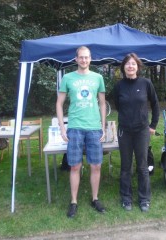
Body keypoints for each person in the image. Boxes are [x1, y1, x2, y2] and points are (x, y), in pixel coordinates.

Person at [56, 46, 107, 218]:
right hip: (75, 127)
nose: (84, 60)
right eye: (81, 57)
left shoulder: (98, 77)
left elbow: (102, 103)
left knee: (96, 165)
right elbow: (59, 103)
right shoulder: (68, 78)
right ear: (76, 59)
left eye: (87, 57)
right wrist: (62, 128)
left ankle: (95, 198)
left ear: (90, 59)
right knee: (75, 165)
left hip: (94, 127)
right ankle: (73, 201)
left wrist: (103, 126)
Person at [114, 53, 159, 212]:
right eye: (127, 64)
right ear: (123, 67)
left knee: (142, 165)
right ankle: (126, 198)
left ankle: (144, 198)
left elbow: (155, 104)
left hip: (141, 131)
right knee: (126, 166)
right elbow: (117, 105)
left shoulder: (146, 83)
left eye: (133, 64)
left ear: (137, 66)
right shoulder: (119, 86)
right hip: (124, 131)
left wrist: (152, 125)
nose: (130, 66)